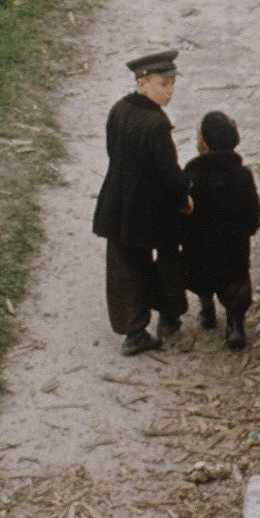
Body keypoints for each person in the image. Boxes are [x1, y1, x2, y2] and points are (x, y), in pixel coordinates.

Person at [92, 46, 189, 355]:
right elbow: (168, 171)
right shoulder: (156, 124)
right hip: (153, 206)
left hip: (118, 201)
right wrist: (183, 195)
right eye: (163, 84)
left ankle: (134, 330)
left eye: (172, 84)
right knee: (168, 257)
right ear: (142, 82)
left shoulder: (119, 109)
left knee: (123, 264)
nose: (169, 91)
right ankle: (169, 316)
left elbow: (112, 150)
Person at [182, 110, 260, 352]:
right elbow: (253, 210)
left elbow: (185, 211)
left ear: (203, 143)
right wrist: (248, 228)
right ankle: (235, 324)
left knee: (201, 278)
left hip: (199, 245)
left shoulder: (192, 176)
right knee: (235, 283)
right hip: (233, 245)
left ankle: (207, 311)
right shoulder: (242, 175)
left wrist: (184, 234)